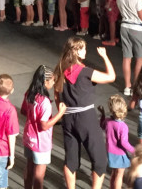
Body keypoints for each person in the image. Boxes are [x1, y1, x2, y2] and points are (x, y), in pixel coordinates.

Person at [53, 38, 114, 189]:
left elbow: (56, 93)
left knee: (71, 160)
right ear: (76, 51)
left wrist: (61, 110)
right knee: (99, 160)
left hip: (68, 118)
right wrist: (105, 56)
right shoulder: (85, 72)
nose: (85, 51)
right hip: (86, 117)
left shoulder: (60, 69)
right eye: (83, 49)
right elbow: (111, 76)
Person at [21, 66, 65, 189]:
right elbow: (44, 125)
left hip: (29, 138)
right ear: (45, 82)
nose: (54, 83)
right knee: (39, 176)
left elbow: (23, 111)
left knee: (29, 167)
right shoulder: (44, 101)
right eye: (53, 80)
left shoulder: (29, 94)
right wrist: (60, 114)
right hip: (41, 142)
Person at [98, 94, 134, 189]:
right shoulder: (123, 126)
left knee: (114, 173)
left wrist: (103, 114)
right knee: (119, 175)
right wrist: (134, 150)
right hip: (120, 153)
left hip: (110, 152)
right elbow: (123, 143)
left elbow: (102, 125)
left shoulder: (108, 121)